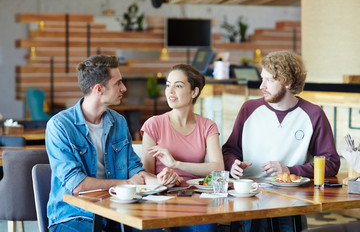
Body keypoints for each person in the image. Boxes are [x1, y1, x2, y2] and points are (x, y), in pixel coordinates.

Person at [46, 55, 180, 232]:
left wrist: (159, 181)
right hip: (74, 216)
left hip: (118, 210)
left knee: (154, 229)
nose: (124, 88)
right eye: (118, 83)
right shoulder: (60, 126)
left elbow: (133, 167)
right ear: (99, 89)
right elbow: (76, 184)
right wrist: (126, 183)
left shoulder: (118, 121)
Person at [222, 50, 341, 231]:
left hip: (291, 203)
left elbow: (331, 162)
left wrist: (289, 170)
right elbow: (229, 150)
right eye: (262, 79)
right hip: (248, 199)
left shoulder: (313, 114)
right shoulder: (248, 109)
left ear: (288, 82)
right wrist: (233, 164)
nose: (262, 86)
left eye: (269, 80)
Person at [140, 64, 224, 232]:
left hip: (195, 197)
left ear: (194, 92)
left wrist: (176, 164)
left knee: (206, 227)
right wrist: (162, 180)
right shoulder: (154, 124)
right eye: (168, 85)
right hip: (161, 196)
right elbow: (145, 172)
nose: (170, 91)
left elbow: (218, 169)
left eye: (178, 86)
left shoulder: (208, 126)